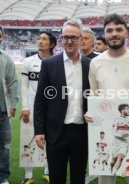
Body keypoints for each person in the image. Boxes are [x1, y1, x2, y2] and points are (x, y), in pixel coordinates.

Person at [84, 13, 129, 184]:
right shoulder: (96, 63)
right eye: (110, 30)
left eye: (119, 29)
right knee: (106, 178)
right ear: (105, 34)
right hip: (105, 130)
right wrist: (89, 114)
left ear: (126, 32)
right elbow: (93, 96)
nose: (114, 34)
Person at [33, 19, 90, 184]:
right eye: (66, 37)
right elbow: (40, 100)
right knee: (56, 178)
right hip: (55, 132)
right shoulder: (49, 64)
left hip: (81, 132)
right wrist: (39, 130)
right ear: (61, 39)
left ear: (81, 39)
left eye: (73, 37)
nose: (69, 41)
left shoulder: (90, 65)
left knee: (78, 177)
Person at [20, 31, 57, 184]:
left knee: (51, 140)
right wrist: (25, 107)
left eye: (44, 39)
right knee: (28, 140)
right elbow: (24, 86)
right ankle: (28, 176)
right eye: (39, 38)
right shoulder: (28, 62)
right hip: (31, 109)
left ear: (52, 44)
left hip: (50, 110)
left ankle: (47, 171)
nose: (40, 41)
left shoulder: (57, 62)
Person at [0, 25, 19, 184]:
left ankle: (2, 177)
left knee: (4, 145)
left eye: (0, 36)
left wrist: (13, 104)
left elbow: (13, 83)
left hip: (2, 111)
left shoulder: (6, 58)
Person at [110, 104, 129, 174]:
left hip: (125, 143)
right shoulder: (116, 119)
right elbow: (113, 131)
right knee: (113, 161)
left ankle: (113, 172)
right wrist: (121, 135)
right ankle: (111, 168)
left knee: (121, 158)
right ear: (122, 111)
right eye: (127, 109)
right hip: (116, 143)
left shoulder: (128, 120)